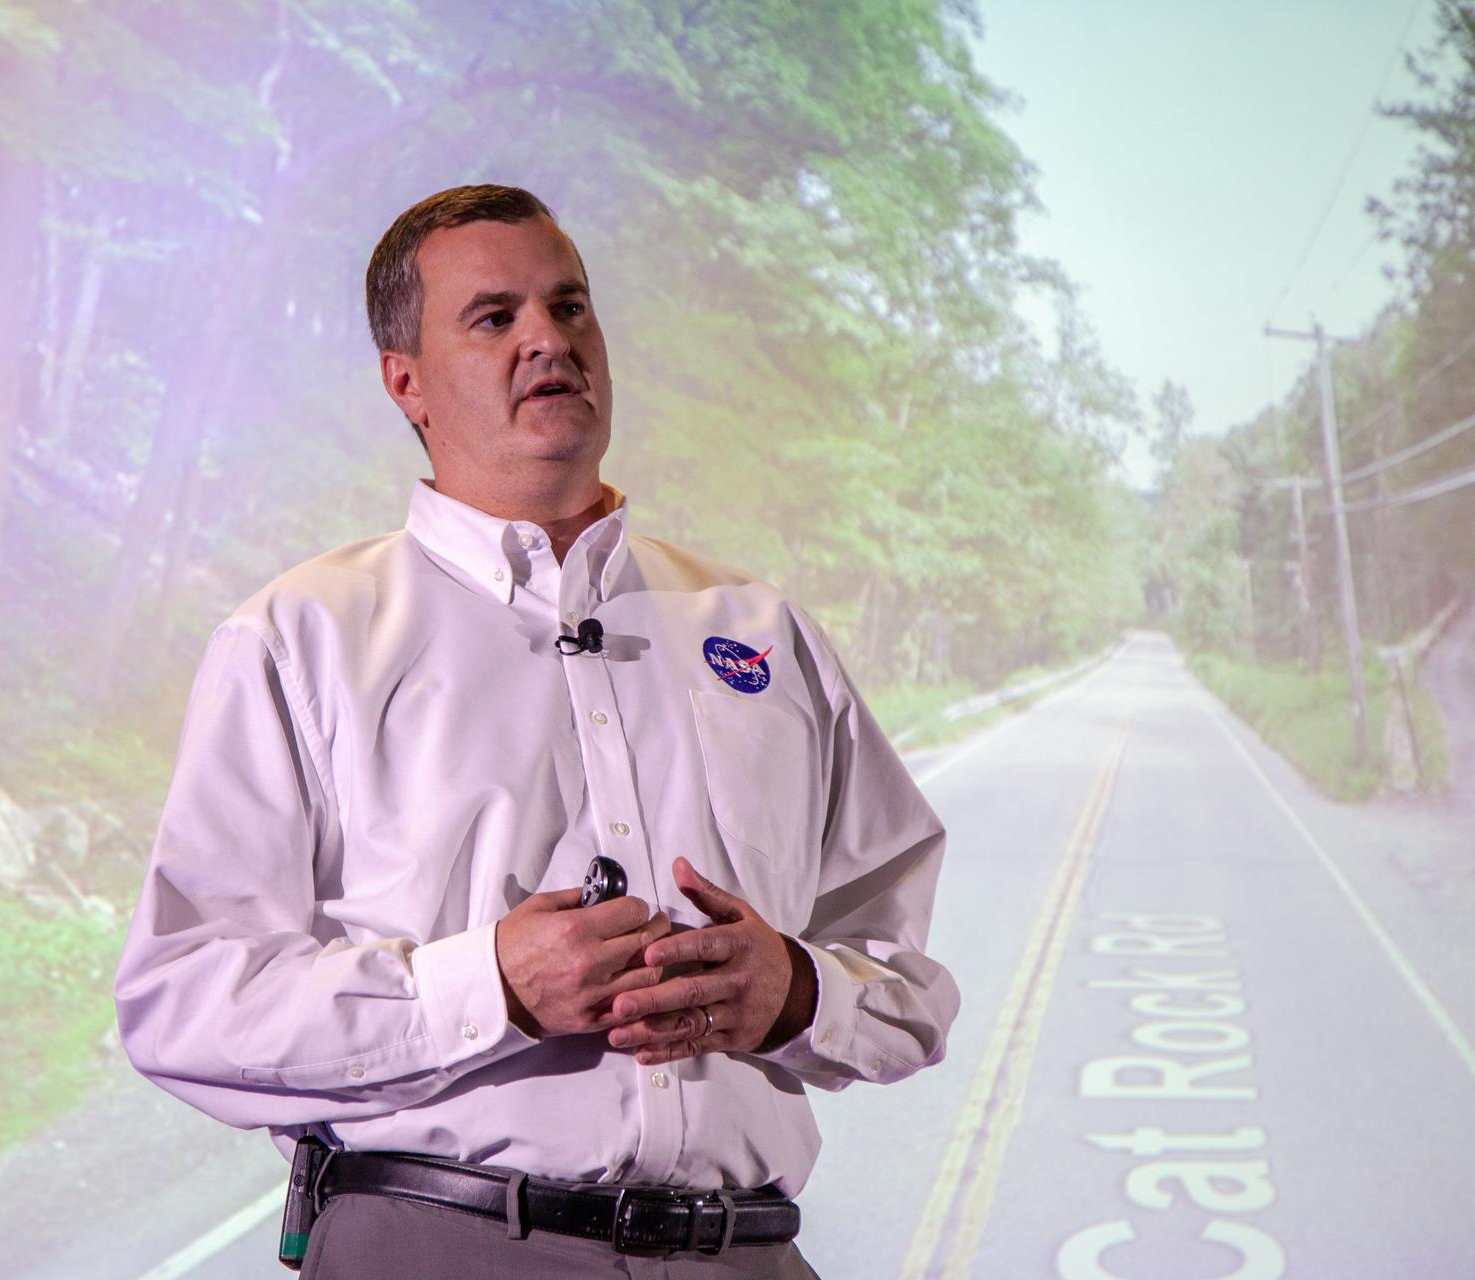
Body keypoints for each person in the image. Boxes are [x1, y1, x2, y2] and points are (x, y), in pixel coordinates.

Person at [113, 184, 959, 1277]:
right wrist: (492, 987)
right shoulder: (300, 636)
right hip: (435, 1243)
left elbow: (903, 983)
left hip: (746, 1250)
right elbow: (180, 1001)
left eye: (571, 306)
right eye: (495, 316)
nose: (548, 338)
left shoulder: (760, 628)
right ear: (404, 381)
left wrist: (794, 990)